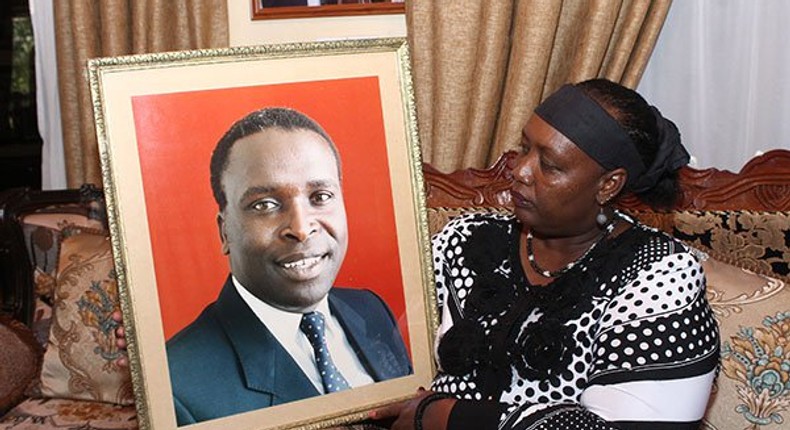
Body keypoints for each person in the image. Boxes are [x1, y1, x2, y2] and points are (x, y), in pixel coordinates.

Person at [372, 79, 720, 430]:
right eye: (524, 148)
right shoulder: (466, 240)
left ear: (608, 184)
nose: (520, 170)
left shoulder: (658, 275)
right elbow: (376, 347)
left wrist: (444, 416)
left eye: (550, 165)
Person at [131, 107, 411, 426]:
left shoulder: (371, 310)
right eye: (265, 205)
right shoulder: (175, 385)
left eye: (320, 196)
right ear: (225, 232)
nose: (302, 228)